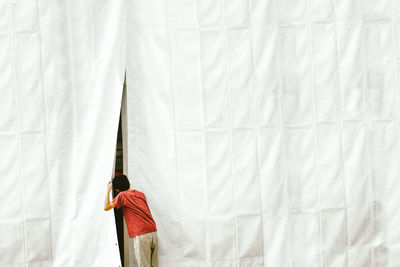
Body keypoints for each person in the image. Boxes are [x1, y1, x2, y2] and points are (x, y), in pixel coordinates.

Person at [104, 174, 158, 267]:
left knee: (143, 265)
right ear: (129, 183)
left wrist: (108, 189)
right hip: (153, 230)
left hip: (141, 234)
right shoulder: (140, 194)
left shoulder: (122, 195)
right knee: (153, 265)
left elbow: (106, 207)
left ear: (117, 190)